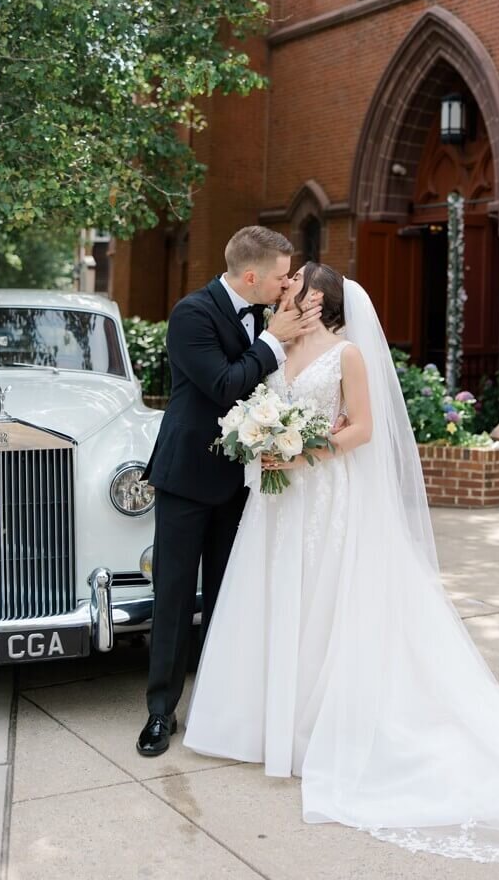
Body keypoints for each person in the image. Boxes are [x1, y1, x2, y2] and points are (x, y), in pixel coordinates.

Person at [183, 263, 499, 869]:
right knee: (277, 599)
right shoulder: (274, 347)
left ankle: (317, 731)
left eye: (298, 283)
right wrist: (263, 441)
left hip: (325, 498)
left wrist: (300, 448)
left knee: (326, 607)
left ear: (320, 301)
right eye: (286, 283)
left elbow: (361, 429)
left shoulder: (347, 357)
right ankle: (268, 726)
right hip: (278, 506)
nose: (286, 288)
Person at [136, 226, 325, 757]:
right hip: (187, 478)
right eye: (281, 276)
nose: (285, 284)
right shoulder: (191, 314)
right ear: (251, 276)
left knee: (229, 596)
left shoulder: (272, 317)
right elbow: (222, 383)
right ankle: (159, 713)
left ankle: (219, 709)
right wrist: (272, 341)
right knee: (173, 596)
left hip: (243, 483)